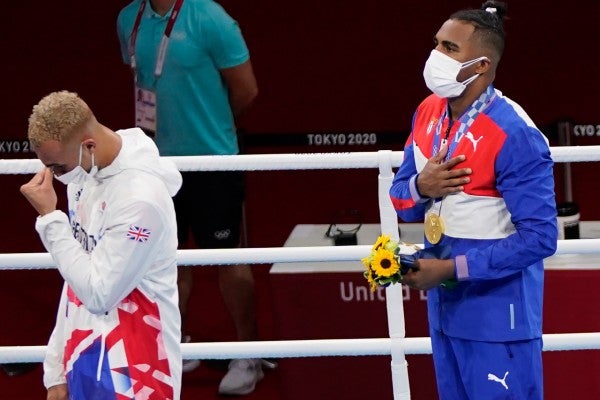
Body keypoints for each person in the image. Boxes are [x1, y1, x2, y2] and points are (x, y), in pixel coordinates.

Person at [389, 2, 557, 399]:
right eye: (437, 44)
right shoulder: (428, 112)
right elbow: (401, 198)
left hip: (499, 318)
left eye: (450, 48)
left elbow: (540, 239)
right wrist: (421, 188)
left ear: (481, 65)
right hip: (445, 312)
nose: (436, 56)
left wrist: (450, 267)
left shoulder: (515, 133)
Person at [116, 0, 264, 396]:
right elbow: (146, 83)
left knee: (228, 257)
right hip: (156, 164)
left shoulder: (210, 18)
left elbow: (246, 90)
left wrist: (210, 128)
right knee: (166, 260)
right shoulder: (128, 19)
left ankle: (248, 352)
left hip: (213, 161)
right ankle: (171, 346)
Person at [20, 91, 183, 400]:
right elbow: (76, 279)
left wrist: (51, 221)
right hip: (85, 352)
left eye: (58, 168)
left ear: (88, 146)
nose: (54, 176)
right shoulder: (85, 174)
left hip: (138, 366)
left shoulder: (141, 200)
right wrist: (56, 368)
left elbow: (98, 293)